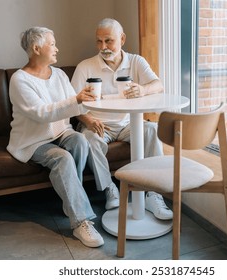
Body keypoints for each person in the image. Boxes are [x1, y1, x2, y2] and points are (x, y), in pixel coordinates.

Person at [7, 26, 105, 248]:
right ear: (36, 48)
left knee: (80, 140)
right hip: (33, 141)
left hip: (61, 132)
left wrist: (89, 116)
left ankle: (71, 202)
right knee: (62, 158)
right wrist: (77, 100)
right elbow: (42, 114)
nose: (57, 48)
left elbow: (75, 104)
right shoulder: (19, 80)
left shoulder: (59, 74)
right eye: (52, 44)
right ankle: (81, 221)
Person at [71, 18, 173, 220]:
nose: (103, 47)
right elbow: (73, 103)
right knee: (88, 139)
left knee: (152, 130)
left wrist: (143, 89)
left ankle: (153, 193)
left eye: (108, 41)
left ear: (122, 39)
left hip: (129, 124)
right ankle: (109, 188)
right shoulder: (85, 67)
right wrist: (88, 119)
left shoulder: (136, 61)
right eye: (99, 42)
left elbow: (158, 85)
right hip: (98, 125)